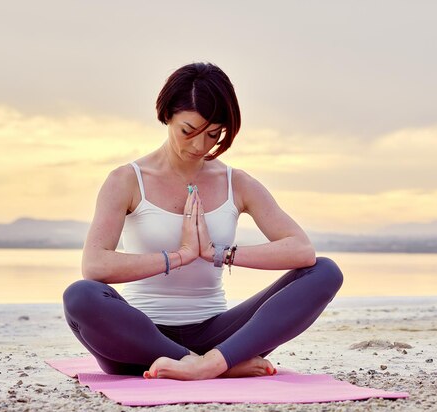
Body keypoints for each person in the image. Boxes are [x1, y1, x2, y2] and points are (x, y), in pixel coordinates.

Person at [62, 62, 343, 381]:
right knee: (80, 296)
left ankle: (209, 365)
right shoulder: (126, 181)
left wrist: (217, 252)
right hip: (138, 342)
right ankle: (209, 366)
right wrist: (180, 256)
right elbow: (95, 265)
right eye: (188, 131)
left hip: (220, 338)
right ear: (166, 115)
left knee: (325, 271)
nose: (200, 146)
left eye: (213, 134)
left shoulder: (237, 183)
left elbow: (302, 251)